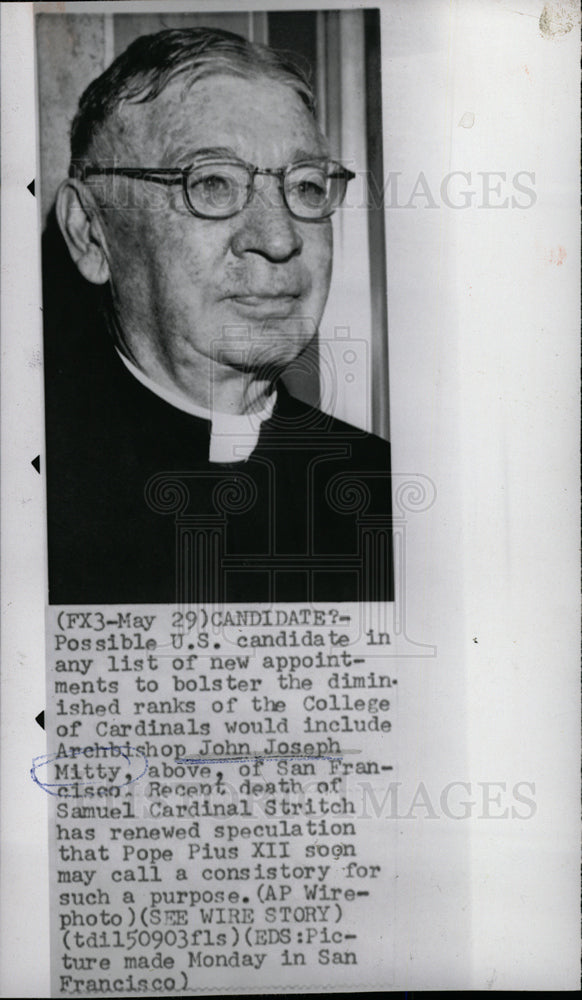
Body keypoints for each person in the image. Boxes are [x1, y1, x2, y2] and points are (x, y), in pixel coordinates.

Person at [45, 26, 392, 605]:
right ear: (91, 233)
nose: (280, 239)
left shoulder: (385, 483)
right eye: (210, 182)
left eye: (306, 187)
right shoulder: (31, 494)